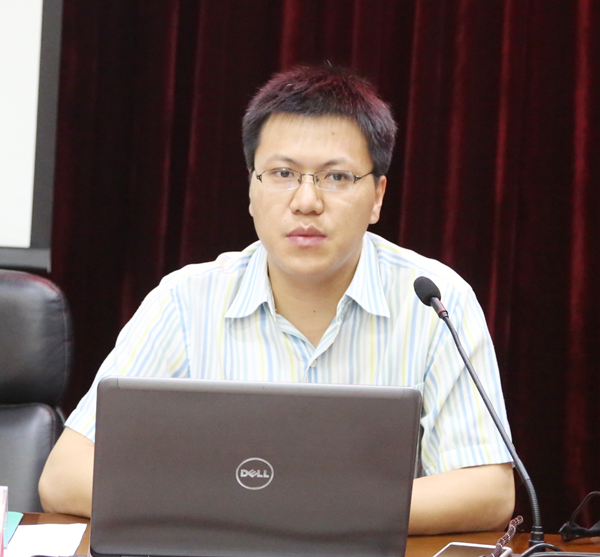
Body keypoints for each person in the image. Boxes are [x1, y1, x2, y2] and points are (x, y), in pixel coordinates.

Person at [39, 65, 515, 533]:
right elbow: (65, 476)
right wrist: (254, 512)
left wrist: (288, 511)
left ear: (377, 197)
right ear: (252, 188)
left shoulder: (435, 300)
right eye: (283, 173)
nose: (306, 202)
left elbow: (487, 491)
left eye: (336, 177)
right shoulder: (185, 301)